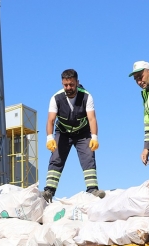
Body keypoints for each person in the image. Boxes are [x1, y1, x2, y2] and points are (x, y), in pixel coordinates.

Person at [43, 68, 105, 202]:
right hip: (63, 132)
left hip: (83, 133)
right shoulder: (56, 98)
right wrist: (49, 137)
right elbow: (50, 120)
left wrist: (94, 137)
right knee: (56, 158)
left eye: (71, 84)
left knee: (89, 157)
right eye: (66, 85)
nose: (69, 88)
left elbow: (92, 119)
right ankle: (49, 191)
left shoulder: (87, 96)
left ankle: (93, 190)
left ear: (77, 82)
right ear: (62, 83)